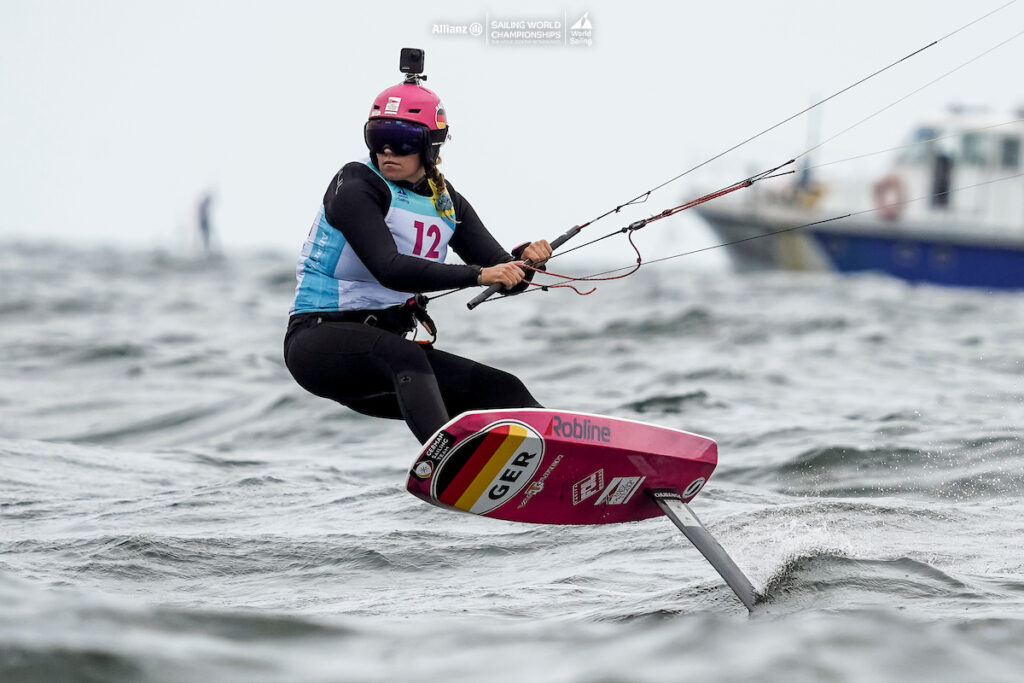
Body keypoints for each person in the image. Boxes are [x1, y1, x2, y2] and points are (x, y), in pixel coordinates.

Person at [283, 72, 552, 444]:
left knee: (502, 388)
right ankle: (446, 464)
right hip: (319, 343)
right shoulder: (357, 185)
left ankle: (568, 465)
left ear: (431, 146)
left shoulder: (446, 202)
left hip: (387, 358)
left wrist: (527, 263)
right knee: (406, 356)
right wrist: (479, 275)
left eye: (402, 141)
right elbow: (389, 269)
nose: (387, 152)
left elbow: (505, 277)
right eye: (378, 138)